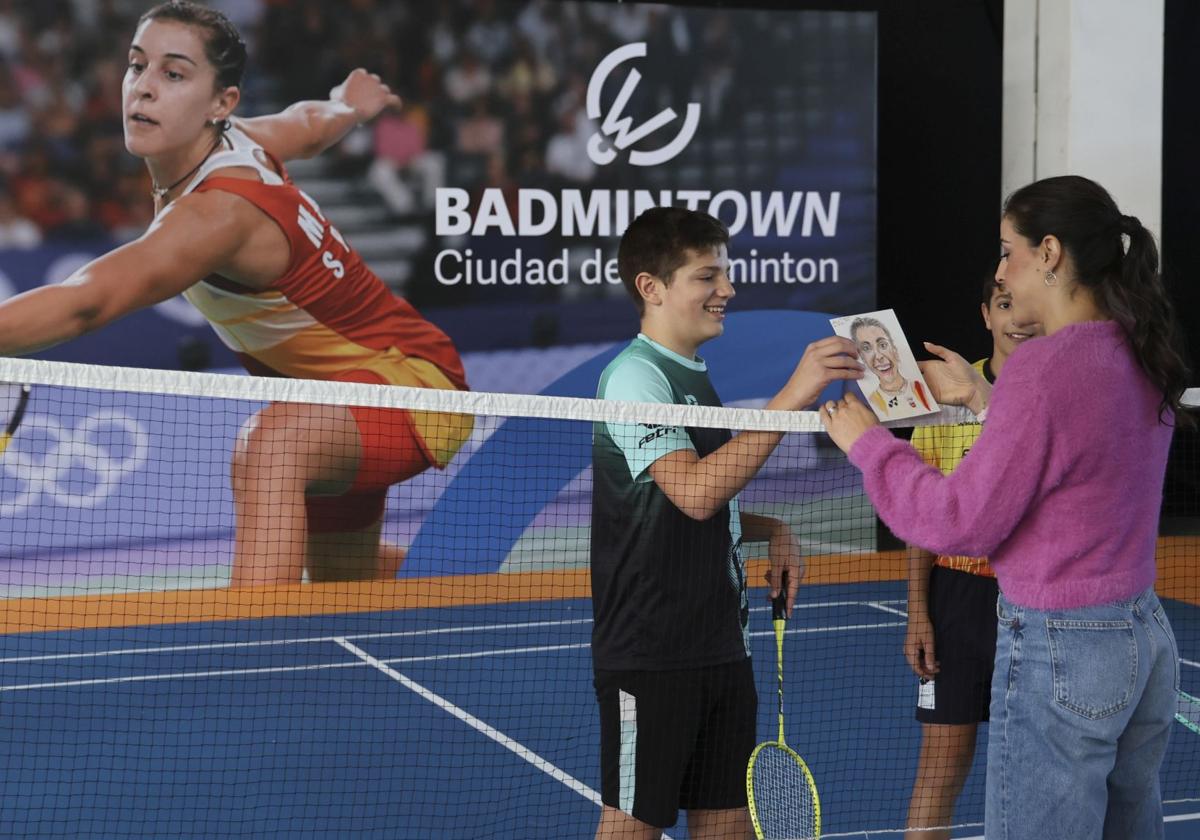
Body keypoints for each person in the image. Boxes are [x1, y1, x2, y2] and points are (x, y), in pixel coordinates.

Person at [0, 1, 472, 587]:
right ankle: (510, 595)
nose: (142, 89)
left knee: (269, 448)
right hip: (332, 405)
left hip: (410, 388)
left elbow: (86, 301)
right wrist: (349, 104)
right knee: (347, 587)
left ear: (221, 103)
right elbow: (308, 123)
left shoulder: (219, 214)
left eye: (173, 74)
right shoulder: (239, 138)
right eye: (136, 65)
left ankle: (247, 660)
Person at [821, 175, 1190, 840]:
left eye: (1006, 250)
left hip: (1063, 645)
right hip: (1144, 637)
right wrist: (987, 402)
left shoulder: (1042, 368)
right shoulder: (1138, 347)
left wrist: (870, 446)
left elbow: (960, 521)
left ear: (1048, 252)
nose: (1001, 271)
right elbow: (1078, 459)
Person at [590, 206, 864, 839]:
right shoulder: (637, 376)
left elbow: (691, 508)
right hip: (653, 651)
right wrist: (794, 394)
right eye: (707, 276)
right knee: (632, 826)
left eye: (726, 273)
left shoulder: (692, 377)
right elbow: (691, 493)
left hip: (720, 644)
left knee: (726, 822)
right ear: (652, 288)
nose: (728, 291)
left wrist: (773, 530)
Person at [902, 274, 1042, 840]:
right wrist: (918, 610)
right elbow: (919, 517)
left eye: (1027, 304)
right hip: (957, 599)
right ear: (986, 314)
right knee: (941, 767)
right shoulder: (944, 403)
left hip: (1036, 597)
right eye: (1005, 305)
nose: (1018, 318)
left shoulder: (1056, 394)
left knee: (1038, 770)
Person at [849, 316, 933, 418]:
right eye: (866, 348)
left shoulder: (922, 388)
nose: (879, 356)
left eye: (883, 345)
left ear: (894, 349)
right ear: (862, 357)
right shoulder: (871, 403)